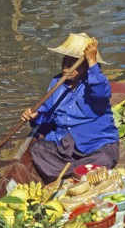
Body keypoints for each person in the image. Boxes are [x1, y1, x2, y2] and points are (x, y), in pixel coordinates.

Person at [21, 33, 119, 183]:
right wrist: (35, 116)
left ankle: (70, 173)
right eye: (65, 61)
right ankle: (80, 173)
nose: (66, 66)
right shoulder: (56, 83)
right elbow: (47, 113)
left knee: (105, 158)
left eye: (73, 62)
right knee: (37, 149)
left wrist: (92, 62)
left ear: (86, 65)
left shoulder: (94, 82)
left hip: (94, 143)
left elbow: (102, 93)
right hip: (64, 144)